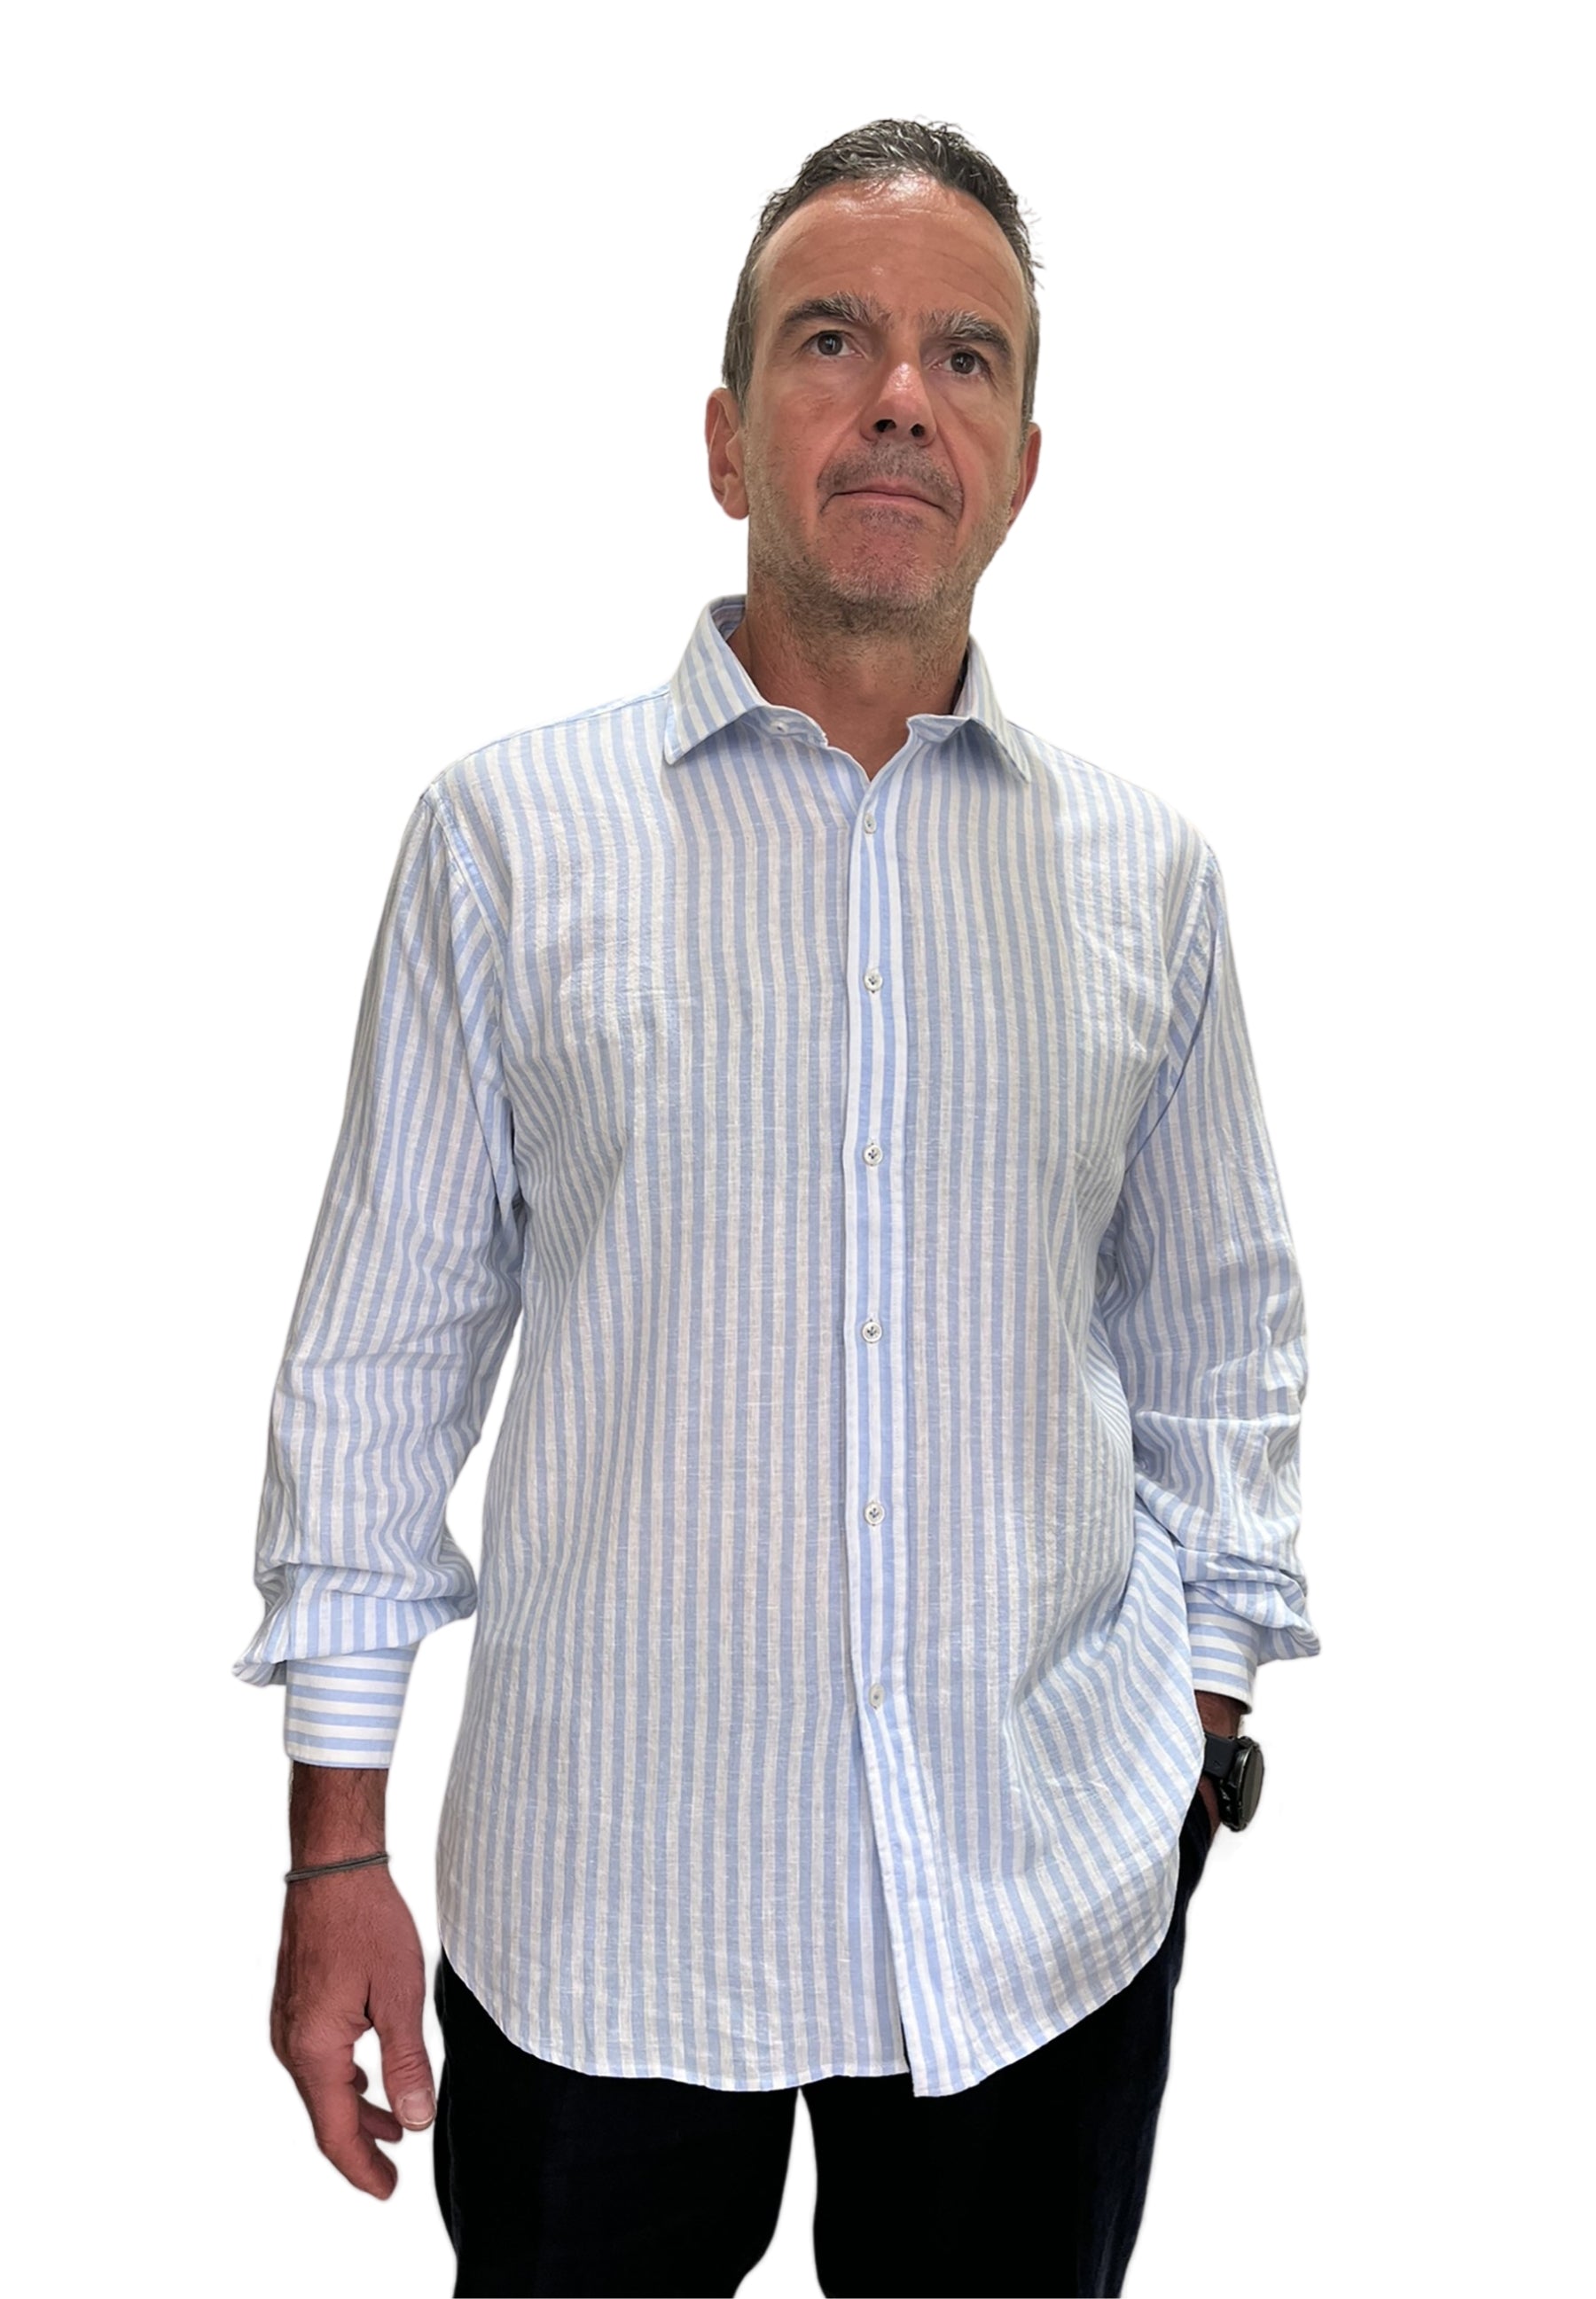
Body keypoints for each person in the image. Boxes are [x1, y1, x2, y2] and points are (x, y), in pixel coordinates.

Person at [236, 116, 1318, 2299]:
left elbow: (1225, 1333)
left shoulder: (1148, 881)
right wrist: (336, 1844)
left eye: (966, 358)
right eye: (835, 341)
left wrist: (1201, 1719)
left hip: (1039, 1909)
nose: (904, 396)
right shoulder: (504, 840)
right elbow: (378, 1359)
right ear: (729, 438)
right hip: (609, 1915)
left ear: (1022, 467)